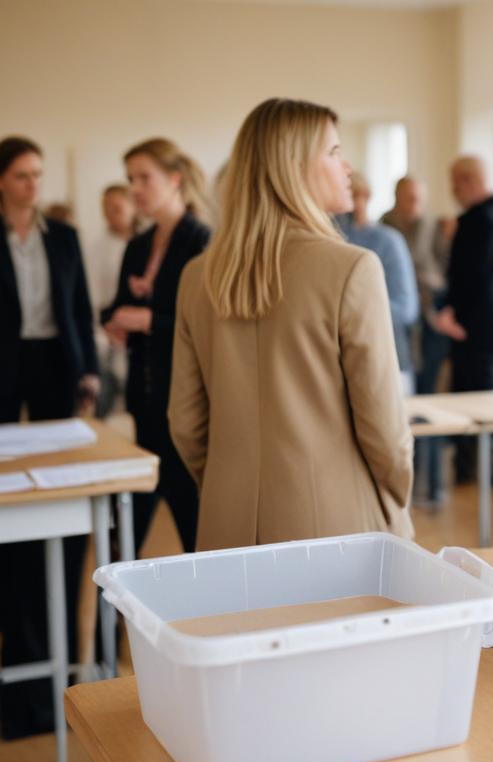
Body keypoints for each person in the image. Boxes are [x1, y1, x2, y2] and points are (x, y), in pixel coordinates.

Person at [169, 97, 413, 551]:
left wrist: (229, 481)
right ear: (295, 166)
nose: (347, 168)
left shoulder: (196, 276)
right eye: (335, 152)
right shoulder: (352, 268)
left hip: (227, 525)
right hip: (337, 527)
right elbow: (384, 425)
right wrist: (395, 503)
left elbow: (185, 421)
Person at [0, 135, 100, 738]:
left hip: (55, 366)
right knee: (3, 489)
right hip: (0, 376)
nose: (33, 184)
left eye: (38, 174)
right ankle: (8, 606)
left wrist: (88, 365)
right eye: (21, 175)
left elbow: (80, 307)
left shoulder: (62, 237)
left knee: (61, 484)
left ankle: (59, 624)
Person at [101, 138, 210, 553]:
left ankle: (206, 618)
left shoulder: (201, 241)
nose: (135, 189)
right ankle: (106, 621)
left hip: (183, 409)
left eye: (144, 177)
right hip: (143, 406)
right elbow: (112, 309)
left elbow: (206, 328)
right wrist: (117, 320)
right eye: (130, 179)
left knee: (195, 536)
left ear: (175, 179)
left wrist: (149, 320)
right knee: (122, 537)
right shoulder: (137, 245)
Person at [435, 156, 493, 483]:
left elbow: (470, 277)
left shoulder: (472, 222)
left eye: (455, 184)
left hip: (470, 325)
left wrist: (450, 313)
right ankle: (482, 465)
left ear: (469, 181)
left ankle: (475, 467)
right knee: (486, 391)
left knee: (471, 397)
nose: (453, 191)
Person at [381, 175, 453, 505]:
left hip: (430, 326)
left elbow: (443, 273)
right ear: (397, 197)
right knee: (403, 409)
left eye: (419, 198)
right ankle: (405, 482)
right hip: (397, 330)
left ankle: (434, 485)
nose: (415, 205)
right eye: (409, 198)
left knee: (430, 405)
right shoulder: (383, 228)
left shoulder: (434, 227)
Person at [336, 172, 418, 394]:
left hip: (388, 357)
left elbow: (407, 308)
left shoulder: (388, 241)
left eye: (355, 196)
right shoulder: (329, 241)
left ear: (367, 196)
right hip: (340, 363)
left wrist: (355, 309)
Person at [86, 185, 137, 417]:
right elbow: (92, 298)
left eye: (116, 208)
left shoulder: (145, 242)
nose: (110, 214)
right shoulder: (97, 249)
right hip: (108, 332)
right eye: (105, 209)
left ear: (133, 206)